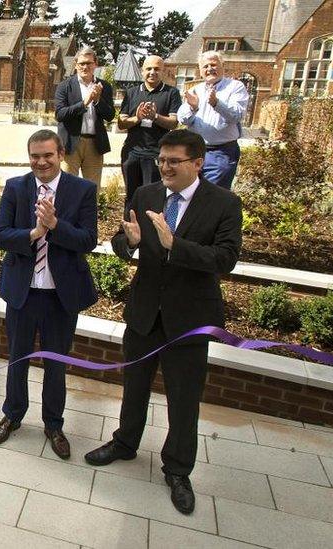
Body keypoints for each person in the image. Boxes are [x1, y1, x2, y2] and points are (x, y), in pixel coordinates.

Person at [84, 129, 242, 515]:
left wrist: (176, 246)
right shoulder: (146, 194)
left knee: (183, 400)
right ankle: (125, 443)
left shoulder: (224, 203)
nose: (165, 167)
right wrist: (131, 242)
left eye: (174, 161)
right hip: (144, 314)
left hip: (189, 319)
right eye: (162, 160)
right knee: (134, 387)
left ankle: (177, 469)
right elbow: (121, 243)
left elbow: (225, 260)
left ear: (198, 163)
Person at [0, 129, 98, 460]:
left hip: (60, 297)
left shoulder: (83, 190)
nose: (41, 162)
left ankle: (53, 423)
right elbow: (0, 236)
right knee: (17, 359)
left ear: (61, 154)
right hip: (23, 292)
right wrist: (35, 232)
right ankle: (13, 415)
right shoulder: (16, 187)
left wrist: (55, 226)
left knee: (56, 364)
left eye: (48, 155)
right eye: (35, 156)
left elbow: (88, 240)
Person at [176, 50, 250, 190]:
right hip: (194, 151)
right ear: (200, 70)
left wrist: (217, 103)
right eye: (205, 66)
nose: (209, 69)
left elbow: (238, 115)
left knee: (212, 193)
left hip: (221, 152)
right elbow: (182, 119)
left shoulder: (235, 87)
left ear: (222, 65)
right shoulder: (195, 90)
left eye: (213, 65)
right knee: (190, 191)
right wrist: (192, 107)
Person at [115, 55, 182, 210]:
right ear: (142, 71)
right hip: (132, 153)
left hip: (156, 154)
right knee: (131, 196)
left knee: (153, 198)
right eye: (149, 68)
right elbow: (121, 123)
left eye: (157, 69)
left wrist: (155, 117)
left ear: (163, 71)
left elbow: (173, 123)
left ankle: (149, 232)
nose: (152, 72)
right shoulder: (132, 93)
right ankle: (127, 230)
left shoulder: (171, 93)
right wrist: (137, 118)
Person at [54, 47, 115, 188]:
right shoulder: (65, 86)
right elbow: (60, 114)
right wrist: (85, 103)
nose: (85, 67)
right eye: (81, 63)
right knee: (66, 188)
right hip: (70, 144)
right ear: (76, 65)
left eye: (89, 63)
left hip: (95, 144)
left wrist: (98, 100)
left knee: (92, 190)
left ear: (95, 64)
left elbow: (110, 115)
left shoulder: (104, 86)